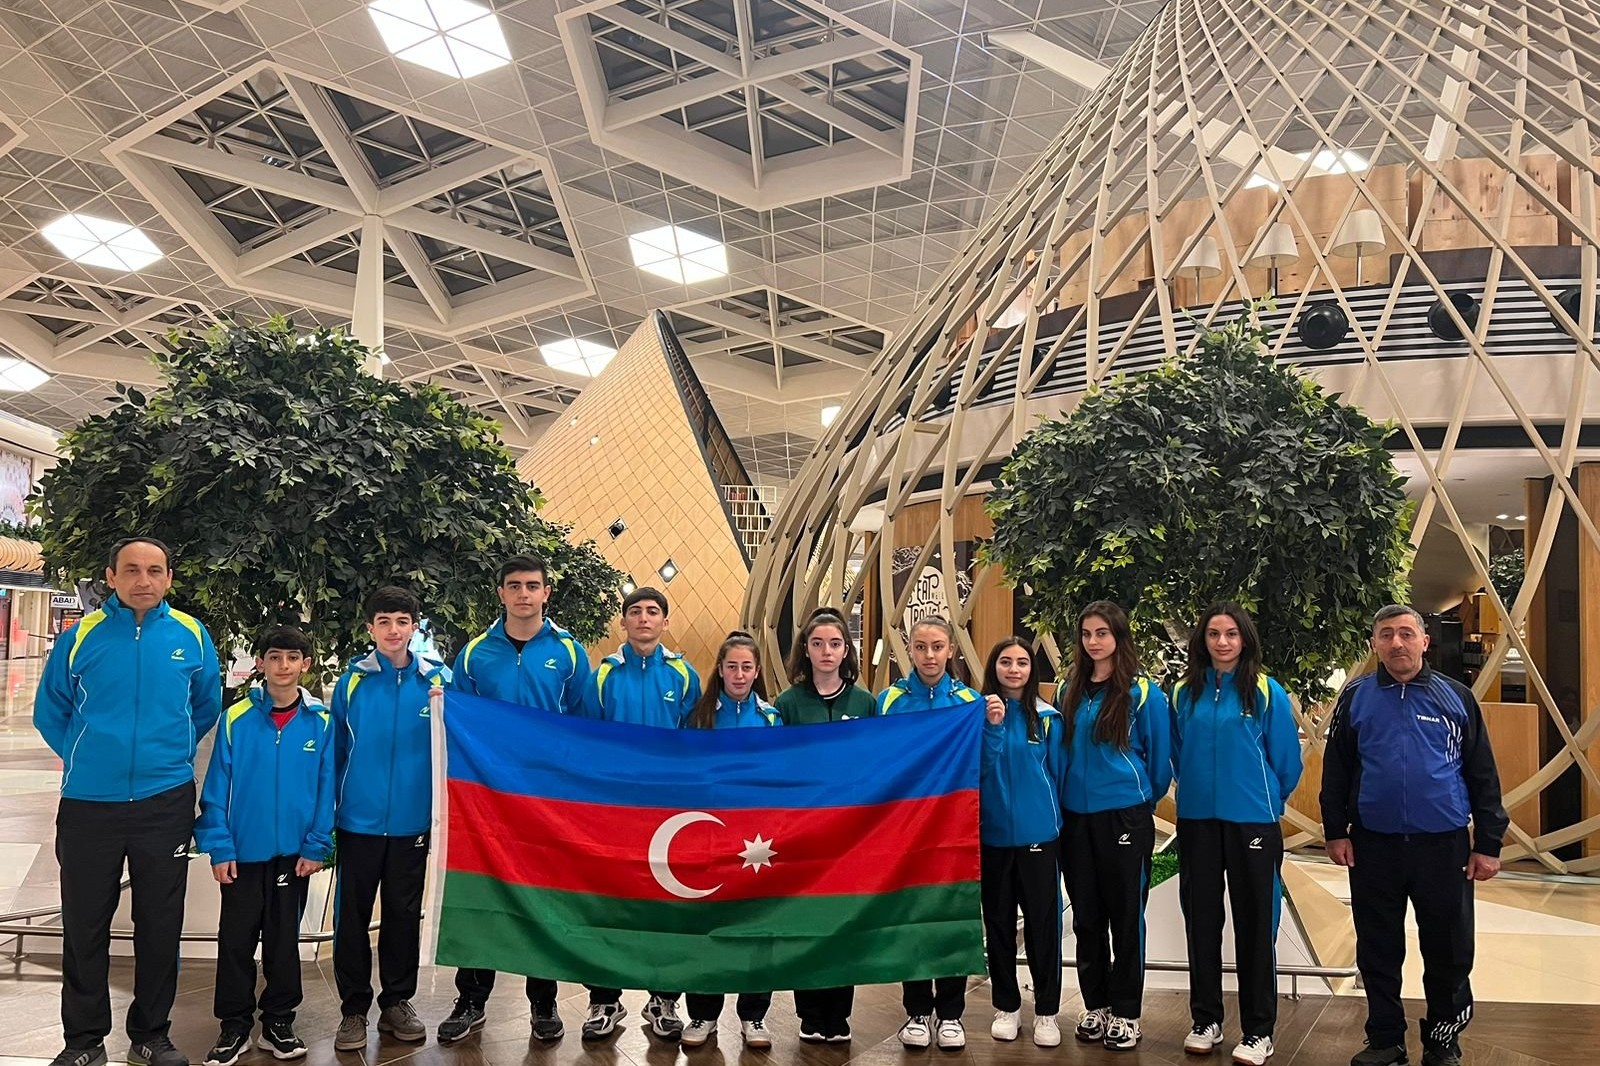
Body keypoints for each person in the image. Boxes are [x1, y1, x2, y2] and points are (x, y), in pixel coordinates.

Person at [34, 537, 222, 1066]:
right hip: (89, 804)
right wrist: (88, 758)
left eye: (155, 570)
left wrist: (172, 754)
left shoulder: (191, 635)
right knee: (85, 924)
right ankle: (84, 1042)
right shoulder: (80, 637)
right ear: (111, 577)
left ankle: (151, 1034)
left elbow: (205, 705)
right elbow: (51, 711)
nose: (144, 579)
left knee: (160, 924)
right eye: (132, 570)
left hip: (164, 801)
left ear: (168, 577)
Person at [1321, 605, 1508, 1066]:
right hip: (1373, 845)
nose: (1397, 643)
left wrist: (1488, 843)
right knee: (1378, 948)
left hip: (1443, 847)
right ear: (1374, 645)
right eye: (1387, 635)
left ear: (1425, 641)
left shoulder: (1456, 698)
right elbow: (1337, 770)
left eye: (1407, 633)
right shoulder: (1355, 697)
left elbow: (1482, 773)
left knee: (1448, 949)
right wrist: (1334, 832)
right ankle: (1385, 1040)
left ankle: (1443, 1041)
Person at [436, 556, 590, 1045]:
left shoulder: (568, 651)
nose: (524, 594)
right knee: (482, 894)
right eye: (514, 586)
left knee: (540, 898)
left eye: (533, 586)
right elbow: (457, 720)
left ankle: (543, 1003)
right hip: (487, 799)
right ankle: (471, 999)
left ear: (547, 593)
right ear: (500, 593)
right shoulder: (476, 652)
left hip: (547, 802)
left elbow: (587, 723)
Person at [1170, 604, 1303, 1066]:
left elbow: (1287, 763)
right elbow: (1177, 752)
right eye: (1213, 633)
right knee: (1202, 922)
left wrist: (1260, 799)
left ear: (1244, 639)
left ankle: (1258, 1030)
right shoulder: (1184, 692)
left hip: (1253, 822)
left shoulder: (1267, 691)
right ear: (1202, 640)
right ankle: (1205, 1019)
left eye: (1230, 634)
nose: (1222, 642)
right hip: (1198, 821)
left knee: (1254, 924)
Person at [196, 625, 333, 1066]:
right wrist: (219, 845)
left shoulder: (321, 722)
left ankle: (279, 1020)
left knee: (282, 940)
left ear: (305, 665)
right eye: (274, 657)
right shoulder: (236, 717)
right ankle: (233, 1026)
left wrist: (316, 846)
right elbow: (216, 785)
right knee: (235, 940)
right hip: (241, 853)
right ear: (260, 663)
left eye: (292, 658)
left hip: (292, 856)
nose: (283, 666)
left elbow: (328, 788)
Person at [576, 586, 702, 1040]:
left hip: (667, 814)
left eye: (653, 612)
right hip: (616, 812)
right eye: (635, 612)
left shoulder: (685, 676)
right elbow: (588, 741)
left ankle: (664, 999)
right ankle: (604, 1001)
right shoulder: (603, 676)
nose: (644, 619)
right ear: (623, 622)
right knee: (609, 904)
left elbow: (693, 744)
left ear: (665, 622)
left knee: (667, 906)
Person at [330, 586, 448, 1052]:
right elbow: (334, 754)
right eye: (384, 622)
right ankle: (353, 1009)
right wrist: (329, 816)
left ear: (414, 628)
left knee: (402, 916)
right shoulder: (352, 683)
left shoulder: (439, 682)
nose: (394, 630)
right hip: (356, 823)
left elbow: (456, 748)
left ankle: (397, 1001)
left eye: (402, 621)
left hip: (411, 825)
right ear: (370, 629)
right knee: (352, 918)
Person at [1057, 600, 1170, 1052]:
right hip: (1074, 818)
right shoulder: (1070, 689)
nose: (1093, 641)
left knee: (1125, 917)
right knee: (1086, 916)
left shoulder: (1143, 693)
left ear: (1119, 638)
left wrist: (1135, 798)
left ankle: (1126, 1011)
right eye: (1086, 634)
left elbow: (1160, 764)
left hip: (1125, 815)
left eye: (1102, 633)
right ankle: (1096, 1004)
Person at [876, 615, 982, 1051]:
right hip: (907, 832)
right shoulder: (890, 701)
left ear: (951, 650)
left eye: (937, 646)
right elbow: (878, 764)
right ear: (910, 650)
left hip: (955, 831)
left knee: (953, 917)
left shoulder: (970, 702)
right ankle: (917, 1011)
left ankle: (951, 1014)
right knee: (913, 919)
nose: (929, 656)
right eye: (921, 647)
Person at [773, 608, 875, 1043]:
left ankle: (839, 1015)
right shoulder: (787, 704)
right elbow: (775, 768)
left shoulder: (865, 703)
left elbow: (878, 764)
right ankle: (810, 1015)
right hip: (803, 834)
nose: (827, 651)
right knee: (806, 922)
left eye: (835, 643)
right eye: (818, 644)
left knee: (843, 923)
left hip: (850, 835)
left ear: (846, 650)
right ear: (806, 650)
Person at [680, 631, 781, 1051]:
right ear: (719, 669)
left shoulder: (773, 718)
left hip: (759, 842)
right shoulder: (698, 717)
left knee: (758, 928)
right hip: (707, 838)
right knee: (706, 926)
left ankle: (754, 1015)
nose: (739, 674)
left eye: (746, 667)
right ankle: (702, 1013)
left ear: (757, 672)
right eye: (731, 666)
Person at [977, 637, 1065, 1049]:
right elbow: (978, 772)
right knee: (997, 924)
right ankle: (1006, 1006)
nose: (1014, 669)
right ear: (994, 667)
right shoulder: (976, 715)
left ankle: (1047, 1010)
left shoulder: (1047, 718)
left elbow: (1060, 777)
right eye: (1006, 661)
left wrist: (1052, 825)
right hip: (992, 838)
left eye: (1023, 662)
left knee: (1043, 927)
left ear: (1033, 670)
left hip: (1038, 838)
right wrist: (992, 729)